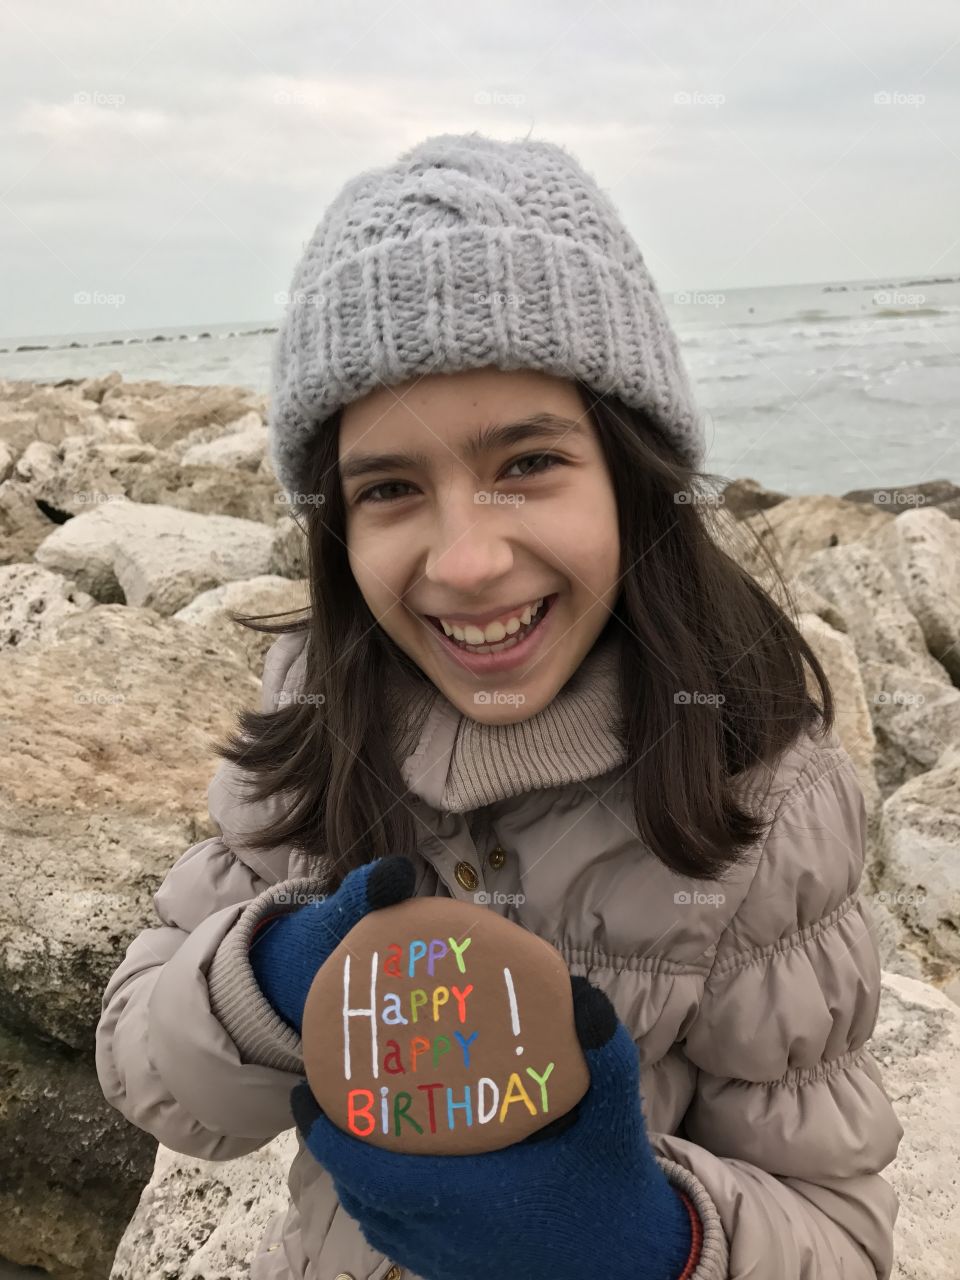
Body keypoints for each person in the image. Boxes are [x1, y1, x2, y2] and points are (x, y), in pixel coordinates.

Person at [95, 131, 904, 1280]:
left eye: (526, 461)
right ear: (338, 526)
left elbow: (839, 1233)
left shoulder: (759, 792)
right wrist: (277, 975)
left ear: (631, 472)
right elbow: (154, 1077)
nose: (468, 562)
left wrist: (645, 1237)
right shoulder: (322, 716)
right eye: (390, 488)